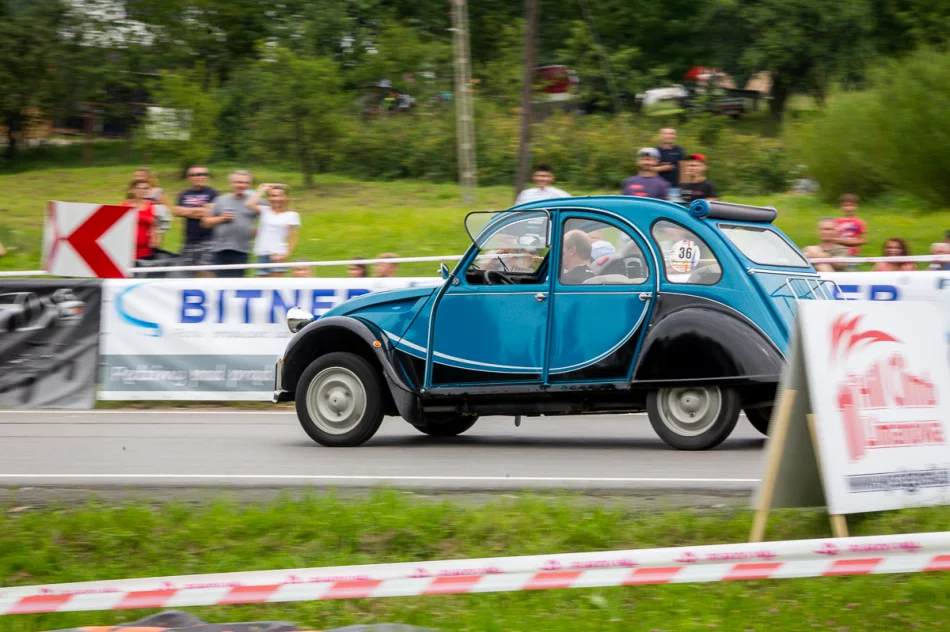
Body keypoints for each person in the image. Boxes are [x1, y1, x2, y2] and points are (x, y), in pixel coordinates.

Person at [202, 170, 259, 278]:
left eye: (244, 183)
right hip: (219, 249)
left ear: (249, 185)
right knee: (220, 283)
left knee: (237, 284)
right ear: (231, 183)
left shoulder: (255, 201)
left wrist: (259, 230)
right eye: (237, 182)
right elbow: (206, 222)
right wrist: (221, 218)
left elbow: (271, 215)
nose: (240, 185)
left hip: (242, 250)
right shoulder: (221, 200)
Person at [173, 165, 218, 277]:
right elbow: (177, 211)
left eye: (202, 174)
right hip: (189, 241)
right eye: (194, 174)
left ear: (206, 177)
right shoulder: (184, 194)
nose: (198, 177)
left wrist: (188, 211)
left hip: (209, 240)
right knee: (186, 273)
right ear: (189, 177)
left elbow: (211, 212)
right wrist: (201, 210)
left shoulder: (213, 193)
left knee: (206, 273)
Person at [248, 183, 301, 278]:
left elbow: (293, 237)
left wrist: (285, 255)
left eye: (279, 196)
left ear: (285, 197)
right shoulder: (265, 210)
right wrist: (262, 189)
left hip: (277, 253)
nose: (276, 199)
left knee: (276, 285)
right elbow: (249, 204)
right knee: (261, 285)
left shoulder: (291, 215)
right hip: (262, 252)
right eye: (273, 196)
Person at [122, 179, 159, 262]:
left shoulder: (151, 206)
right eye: (140, 188)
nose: (143, 191)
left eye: (146, 188)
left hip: (145, 249)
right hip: (128, 249)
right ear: (133, 190)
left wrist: (155, 238)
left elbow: (154, 225)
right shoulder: (124, 206)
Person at [133, 167, 171, 235]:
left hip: (153, 229)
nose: (137, 178)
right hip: (137, 228)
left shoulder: (158, 191)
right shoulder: (133, 192)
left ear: (148, 177)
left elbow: (167, 211)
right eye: (136, 176)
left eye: (141, 176)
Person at [835, 194, 868, 259]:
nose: (849, 208)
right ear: (841, 207)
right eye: (846, 205)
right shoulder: (836, 222)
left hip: (853, 254)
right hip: (838, 253)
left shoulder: (860, 222)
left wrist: (848, 242)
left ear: (857, 206)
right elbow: (833, 238)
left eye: (852, 205)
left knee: (852, 269)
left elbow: (864, 240)